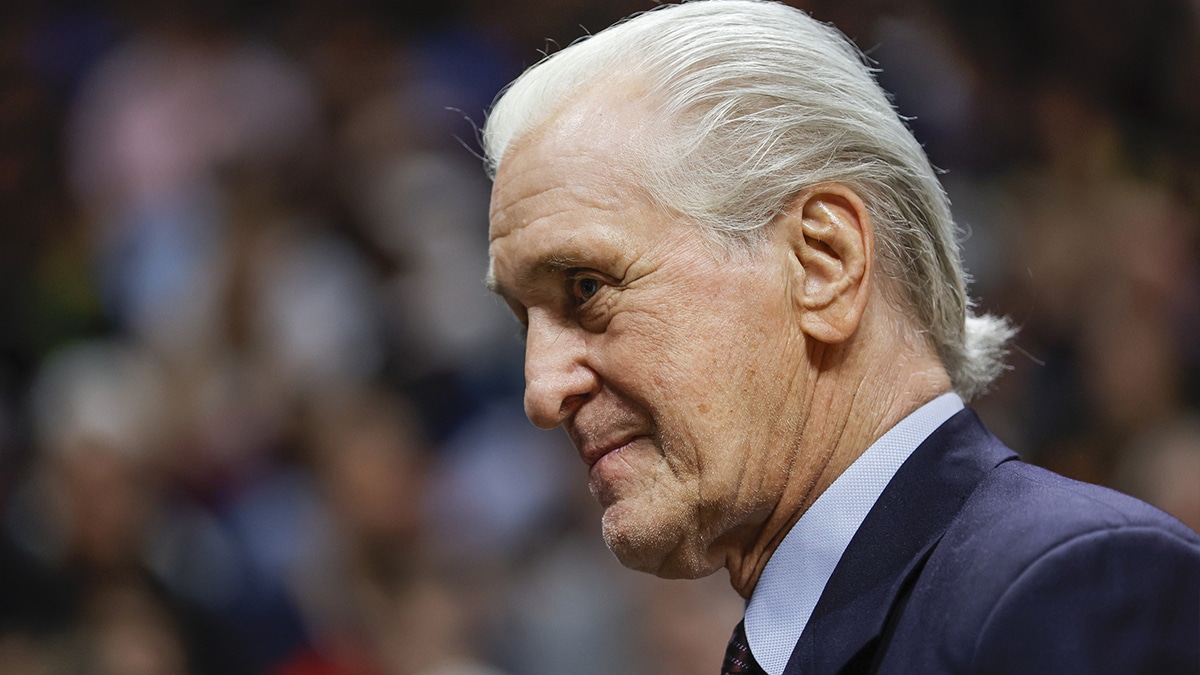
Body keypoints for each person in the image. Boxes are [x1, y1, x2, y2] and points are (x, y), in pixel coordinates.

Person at [481, 1, 1200, 672]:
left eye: (586, 289)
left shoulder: (1069, 587)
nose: (542, 391)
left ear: (823, 262)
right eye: (523, 323)